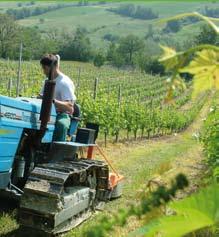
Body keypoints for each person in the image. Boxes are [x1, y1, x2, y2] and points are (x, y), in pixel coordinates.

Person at [39, 54, 76, 141]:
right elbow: (42, 96)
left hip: (61, 115)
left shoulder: (65, 82)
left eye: (45, 68)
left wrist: (52, 101)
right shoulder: (47, 81)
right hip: (46, 113)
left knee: (61, 125)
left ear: (54, 67)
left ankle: (57, 151)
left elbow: (70, 107)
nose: (43, 71)